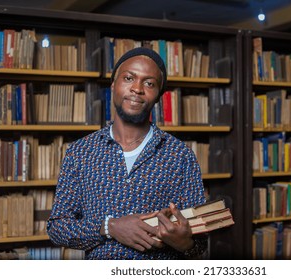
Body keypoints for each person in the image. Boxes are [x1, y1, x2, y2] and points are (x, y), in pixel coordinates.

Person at [47, 47, 207, 260]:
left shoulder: (180, 156)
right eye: (129, 78)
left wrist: (185, 243)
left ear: (158, 95)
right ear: (113, 85)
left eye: (149, 83)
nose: (137, 89)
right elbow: (57, 228)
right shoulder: (80, 152)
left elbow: (199, 244)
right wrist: (109, 227)